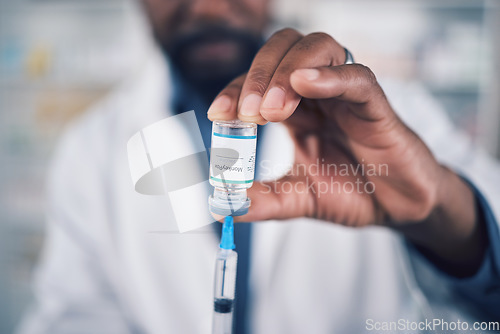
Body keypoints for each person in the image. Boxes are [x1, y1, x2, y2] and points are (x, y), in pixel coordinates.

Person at [18, 0, 500, 333]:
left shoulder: (394, 113)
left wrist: (440, 213)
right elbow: (73, 316)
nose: (207, 7)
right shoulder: (90, 149)